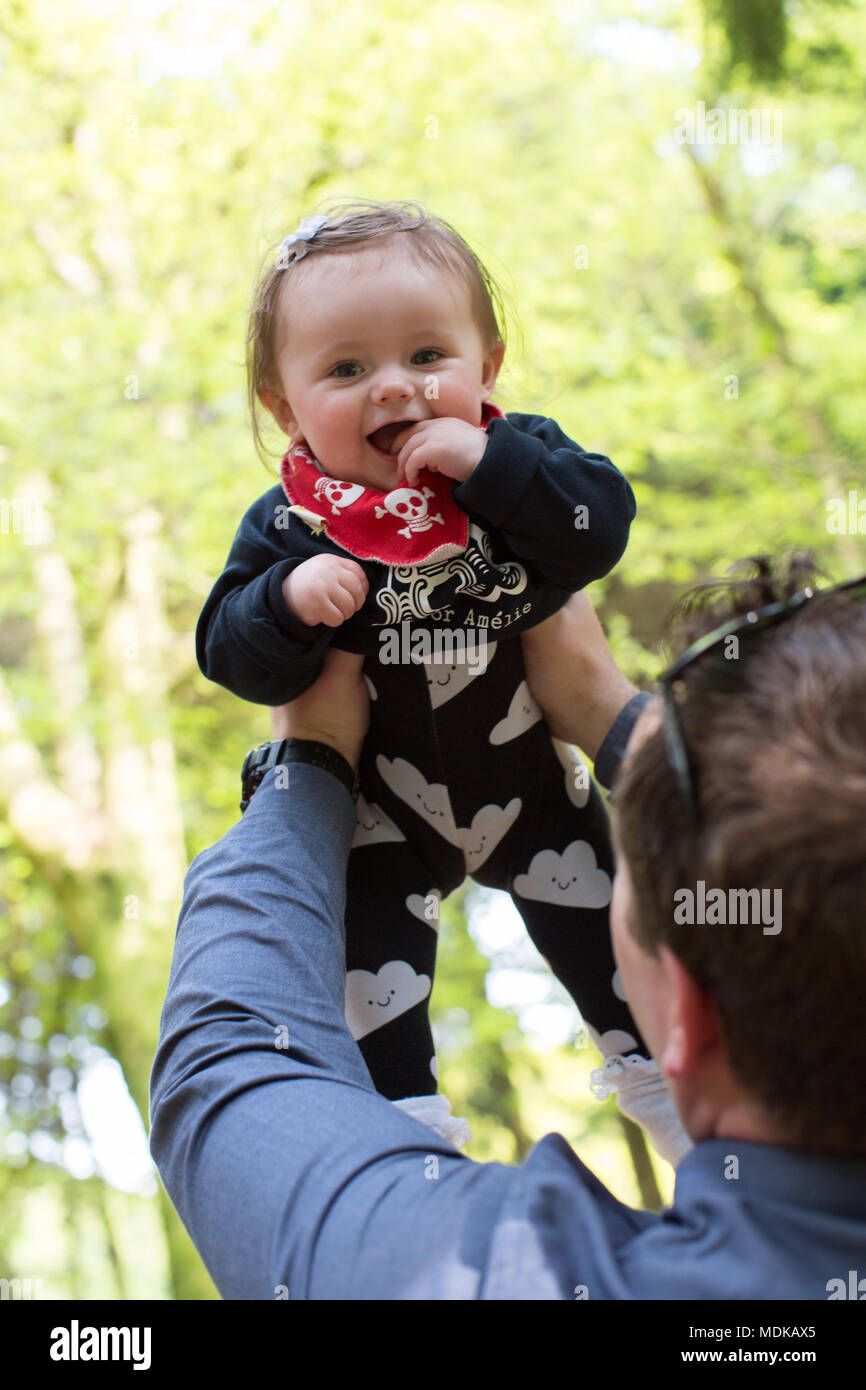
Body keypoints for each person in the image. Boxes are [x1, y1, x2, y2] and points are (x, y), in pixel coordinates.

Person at [150, 552, 866, 1299]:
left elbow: (225, 1058)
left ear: (689, 1011)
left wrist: (308, 760)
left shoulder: (490, 1279)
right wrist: (605, 708)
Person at [195, 196, 673, 1147]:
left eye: (427, 357)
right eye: (346, 368)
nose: (395, 389)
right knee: (374, 993)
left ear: (485, 366)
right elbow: (227, 650)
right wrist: (286, 602)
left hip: (535, 784)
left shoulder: (518, 462)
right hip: (382, 818)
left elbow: (601, 526)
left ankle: (672, 1103)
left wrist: (492, 469)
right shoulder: (294, 525)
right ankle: (411, 1142)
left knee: (617, 953)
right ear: (285, 408)